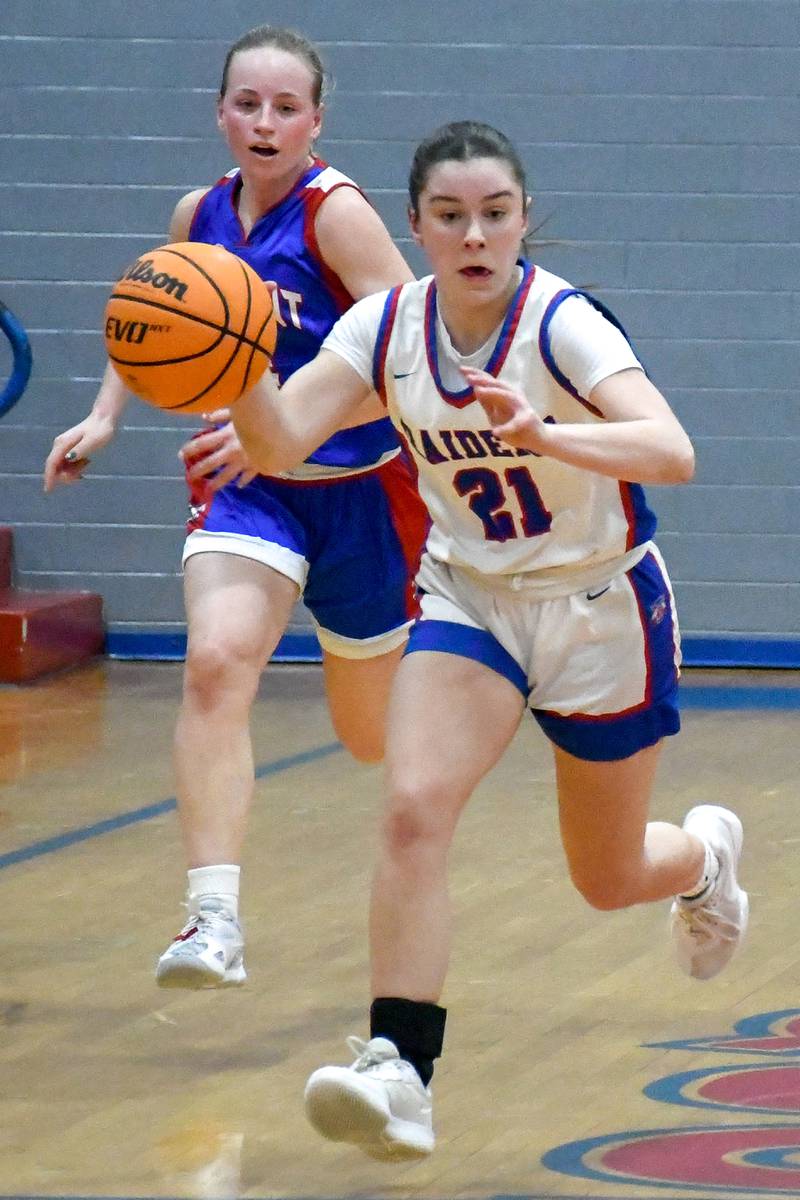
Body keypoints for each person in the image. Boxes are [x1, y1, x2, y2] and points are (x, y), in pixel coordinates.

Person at [229, 120, 749, 1161]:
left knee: (605, 877)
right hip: (470, 599)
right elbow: (279, 441)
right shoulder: (384, 328)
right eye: (451, 215)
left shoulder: (561, 324)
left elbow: (671, 450)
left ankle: (702, 861)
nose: (474, 234)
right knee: (412, 809)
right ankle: (400, 1071)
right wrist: (233, 358)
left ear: (521, 219)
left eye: (494, 213)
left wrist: (545, 434)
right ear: (415, 226)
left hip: (598, 606)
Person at [43, 25, 425, 989]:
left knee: (371, 739)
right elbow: (155, 324)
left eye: (285, 107)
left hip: (363, 497)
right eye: (247, 104)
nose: (264, 122)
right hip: (248, 495)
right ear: (220, 113)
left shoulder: (337, 217)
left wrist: (284, 426)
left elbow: (413, 355)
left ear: (316, 121)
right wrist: (104, 415)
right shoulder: (198, 214)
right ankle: (210, 920)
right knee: (215, 664)